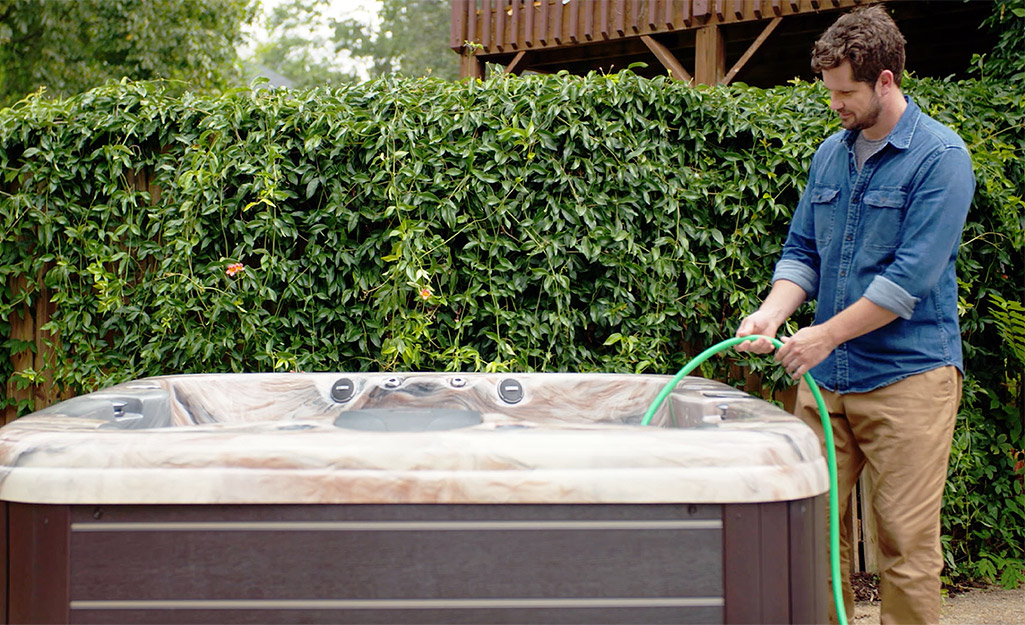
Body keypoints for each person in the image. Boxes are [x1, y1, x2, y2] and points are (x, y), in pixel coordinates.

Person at [735, 5, 974, 624]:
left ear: (887, 80)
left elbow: (907, 284)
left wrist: (821, 335)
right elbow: (803, 253)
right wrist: (771, 312)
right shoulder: (829, 156)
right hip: (825, 380)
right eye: (830, 91)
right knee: (808, 536)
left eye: (846, 92)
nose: (835, 104)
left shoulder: (941, 158)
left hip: (908, 380)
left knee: (905, 547)